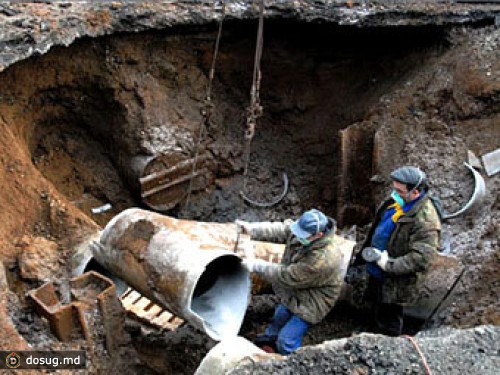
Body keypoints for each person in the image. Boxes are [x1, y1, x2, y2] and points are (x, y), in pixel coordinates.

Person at [237, 209, 344, 355]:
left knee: (286, 340)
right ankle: (269, 342)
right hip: (296, 291)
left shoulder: (323, 260)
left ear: (318, 235)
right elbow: (282, 229)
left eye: (302, 236)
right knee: (279, 317)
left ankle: (290, 361)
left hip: (314, 301)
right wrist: (253, 229)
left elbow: (288, 276)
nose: (297, 236)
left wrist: (257, 265)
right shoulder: (305, 231)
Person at [355, 166, 441, 336]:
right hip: (376, 268)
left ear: (415, 192)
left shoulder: (426, 221)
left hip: (395, 280)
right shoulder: (397, 204)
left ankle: (386, 346)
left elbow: (421, 258)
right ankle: (371, 334)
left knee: (389, 314)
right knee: (376, 303)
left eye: (399, 191)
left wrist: (389, 264)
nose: (394, 194)